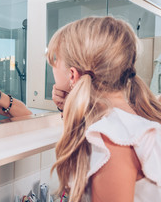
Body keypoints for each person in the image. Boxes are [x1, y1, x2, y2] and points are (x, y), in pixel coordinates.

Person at [46, 16, 161, 201]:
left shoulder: (113, 139)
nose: (51, 67)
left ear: (72, 75)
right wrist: (69, 107)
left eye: (54, 60)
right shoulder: (136, 117)